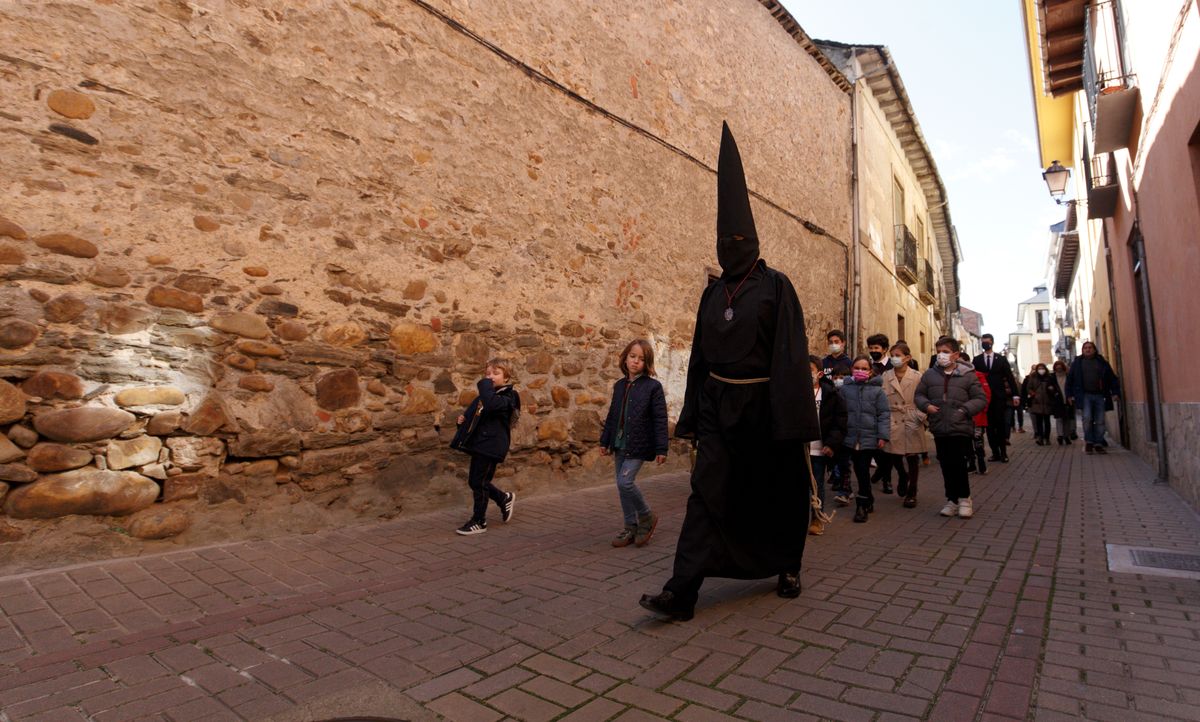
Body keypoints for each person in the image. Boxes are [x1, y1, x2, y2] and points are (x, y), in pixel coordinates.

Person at [639, 122, 820, 622]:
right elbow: (700, 356)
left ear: (754, 241)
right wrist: (694, 413)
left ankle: (787, 564)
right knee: (706, 494)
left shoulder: (777, 287)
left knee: (778, 489)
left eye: (738, 238)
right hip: (721, 405)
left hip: (766, 408)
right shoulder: (713, 292)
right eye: (724, 239)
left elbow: (789, 353)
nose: (730, 245)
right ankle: (682, 591)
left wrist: (794, 421)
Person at [599, 339, 668, 548]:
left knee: (625, 483)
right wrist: (605, 440)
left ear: (647, 363)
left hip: (639, 444)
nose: (636, 361)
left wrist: (661, 448)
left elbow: (660, 418)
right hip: (619, 443)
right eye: (632, 356)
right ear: (625, 357)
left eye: (641, 359)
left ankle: (646, 516)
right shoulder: (619, 386)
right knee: (622, 487)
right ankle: (630, 526)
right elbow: (612, 415)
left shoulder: (653, 387)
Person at [916, 337, 988, 519]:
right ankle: (952, 500)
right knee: (946, 464)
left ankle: (965, 499)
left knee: (959, 464)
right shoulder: (930, 375)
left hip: (960, 426)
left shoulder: (968, 375)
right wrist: (926, 406)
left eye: (946, 351)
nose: (941, 355)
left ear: (955, 355)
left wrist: (964, 410)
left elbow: (980, 398)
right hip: (939, 427)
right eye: (939, 351)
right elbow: (919, 395)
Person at [449, 358, 520, 535]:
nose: (490, 377)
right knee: (478, 481)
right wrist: (462, 423)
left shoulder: (509, 396)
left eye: (496, 373)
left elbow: (491, 404)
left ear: (506, 377)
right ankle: (503, 498)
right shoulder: (486, 396)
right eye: (487, 374)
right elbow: (475, 418)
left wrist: (484, 385)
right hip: (481, 445)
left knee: (478, 482)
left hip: (492, 446)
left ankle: (479, 521)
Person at [840, 356, 890, 523]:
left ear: (870, 372)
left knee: (862, 470)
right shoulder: (845, 389)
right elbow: (840, 413)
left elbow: (883, 414)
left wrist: (883, 435)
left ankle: (861, 506)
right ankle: (868, 498)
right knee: (859, 471)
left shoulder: (877, 391)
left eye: (864, 368)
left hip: (869, 438)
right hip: (850, 437)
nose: (860, 371)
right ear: (852, 369)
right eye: (857, 368)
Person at [881, 343, 926, 508]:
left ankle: (912, 492)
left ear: (908, 358)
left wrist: (920, 416)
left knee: (913, 457)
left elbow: (925, 397)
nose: (894, 358)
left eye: (898, 355)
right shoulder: (886, 376)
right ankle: (902, 475)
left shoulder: (917, 376)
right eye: (892, 354)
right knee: (895, 454)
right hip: (892, 418)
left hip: (911, 418)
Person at [807, 355, 847, 535]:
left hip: (819, 449)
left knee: (817, 485)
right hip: (800, 449)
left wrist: (831, 444)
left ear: (820, 373)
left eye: (810, 371)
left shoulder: (831, 395)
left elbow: (839, 422)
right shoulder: (794, 393)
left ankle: (817, 517)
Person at [1066, 341, 1121, 454]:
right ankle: (1089, 442)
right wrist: (1069, 395)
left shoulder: (1102, 362)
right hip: (1085, 395)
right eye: (1085, 348)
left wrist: (1115, 392)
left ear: (1095, 349)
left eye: (1090, 347)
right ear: (1082, 350)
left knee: (1100, 420)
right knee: (1087, 419)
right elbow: (1070, 380)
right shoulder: (1077, 363)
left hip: (1100, 395)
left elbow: (1112, 378)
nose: (1088, 349)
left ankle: (1098, 443)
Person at [973, 334, 1019, 463]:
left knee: (1000, 425)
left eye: (986, 342)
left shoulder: (1001, 359)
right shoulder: (977, 360)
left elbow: (1009, 377)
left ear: (992, 342)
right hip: (984, 398)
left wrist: (1015, 395)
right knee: (989, 427)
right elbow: (972, 378)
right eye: (983, 342)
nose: (984, 344)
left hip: (999, 397)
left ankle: (1004, 453)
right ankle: (995, 453)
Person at [959, 352, 991, 475]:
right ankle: (971, 464)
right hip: (963, 416)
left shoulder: (978, 375)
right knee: (966, 442)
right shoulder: (956, 376)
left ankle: (981, 464)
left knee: (978, 441)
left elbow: (986, 394)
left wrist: (982, 409)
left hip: (977, 415)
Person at [828, 361, 855, 506]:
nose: (839, 380)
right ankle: (844, 488)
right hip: (835, 435)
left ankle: (845, 491)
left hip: (849, 433)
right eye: (836, 377)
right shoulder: (830, 393)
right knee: (838, 463)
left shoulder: (851, 393)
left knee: (845, 464)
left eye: (843, 376)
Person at [1025, 363, 1059, 445]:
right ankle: (1040, 437)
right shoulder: (1033, 378)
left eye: (1042, 368)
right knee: (1039, 421)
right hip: (1037, 402)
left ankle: (1047, 438)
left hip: (1047, 402)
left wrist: (1052, 389)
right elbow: (1028, 388)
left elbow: (1055, 388)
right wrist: (1033, 394)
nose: (1041, 370)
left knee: (1047, 421)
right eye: (1039, 368)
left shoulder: (1049, 378)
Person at [1051, 359, 1075, 445]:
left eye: (1060, 367)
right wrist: (1053, 392)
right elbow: (1049, 388)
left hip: (1068, 399)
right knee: (1059, 419)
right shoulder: (1052, 377)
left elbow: (1072, 387)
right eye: (1057, 367)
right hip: (1057, 400)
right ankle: (1060, 436)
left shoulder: (1068, 376)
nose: (1059, 369)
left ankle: (1066, 436)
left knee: (1067, 419)